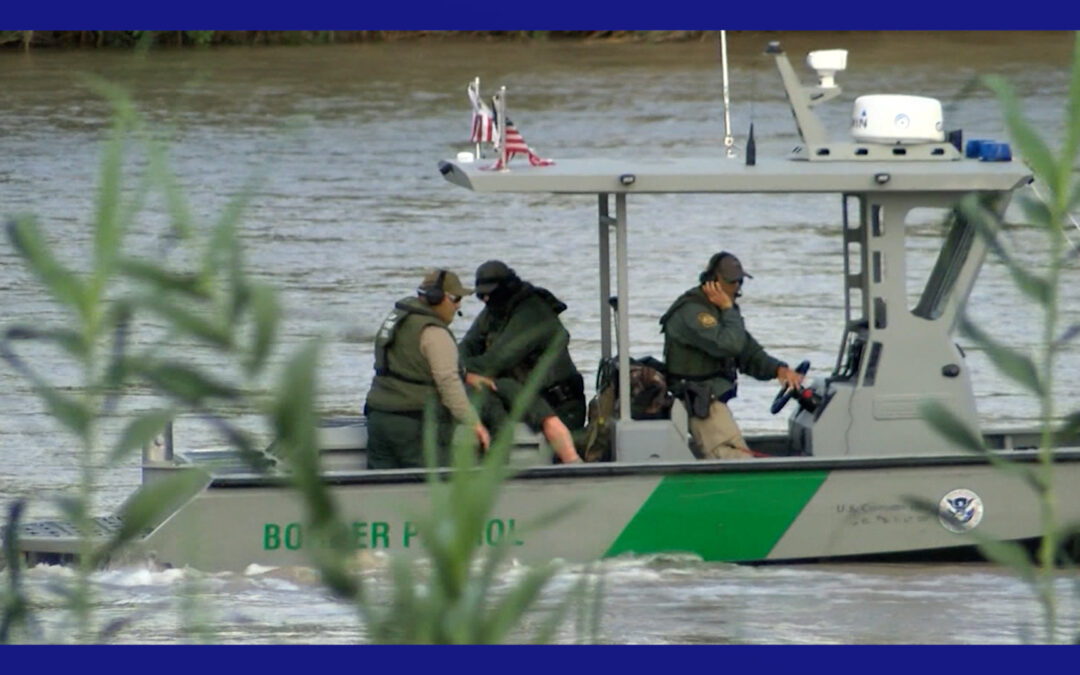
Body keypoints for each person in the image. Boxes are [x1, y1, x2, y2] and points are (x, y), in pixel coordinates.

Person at [659, 251, 803, 460]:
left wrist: (779, 370)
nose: (737, 287)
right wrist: (728, 308)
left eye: (740, 281)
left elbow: (747, 350)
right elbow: (730, 345)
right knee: (736, 459)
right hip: (698, 401)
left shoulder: (720, 311)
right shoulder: (693, 312)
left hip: (710, 398)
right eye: (731, 281)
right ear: (712, 281)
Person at [363, 268, 491, 469]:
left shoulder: (399, 319)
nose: (458, 306)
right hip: (414, 424)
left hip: (378, 417)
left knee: (381, 490)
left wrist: (466, 376)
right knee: (432, 490)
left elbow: (409, 363)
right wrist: (474, 423)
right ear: (437, 298)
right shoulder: (433, 332)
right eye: (455, 298)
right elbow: (448, 384)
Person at [460, 260, 584, 464]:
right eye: (481, 296)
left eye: (490, 294)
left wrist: (463, 371)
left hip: (561, 406)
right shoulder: (495, 311)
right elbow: (466, 347)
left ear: (507, 288)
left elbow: (496, 361)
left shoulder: (531, 312)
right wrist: (464, 370)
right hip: (532, 400)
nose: (485, 300)